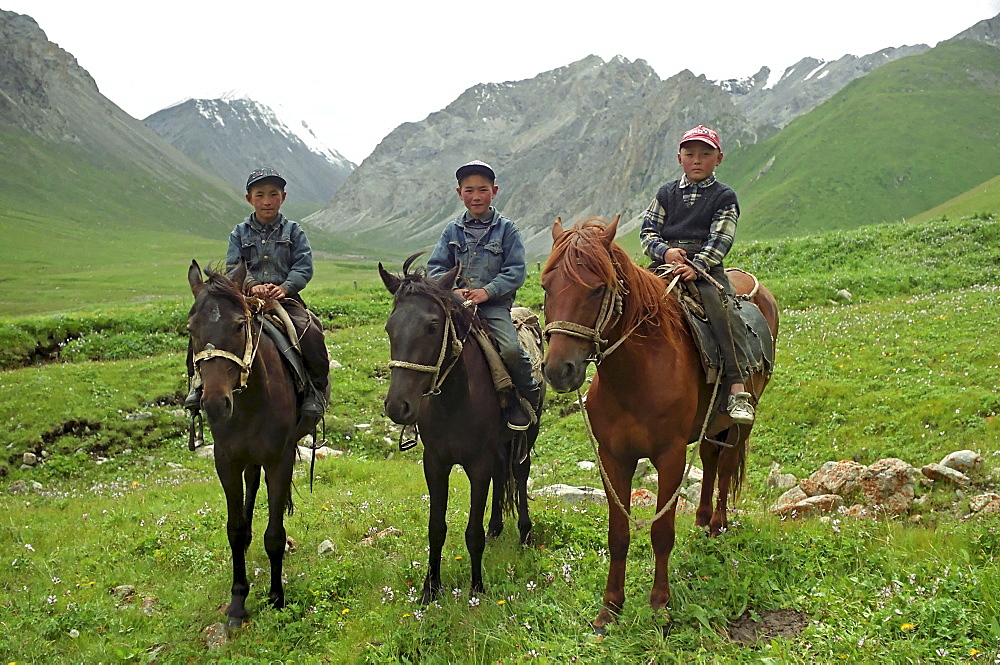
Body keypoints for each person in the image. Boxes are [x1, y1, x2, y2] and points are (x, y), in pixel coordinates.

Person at [185, 167, 330, 419]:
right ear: (249, 199)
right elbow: (234, 265)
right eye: (260, 194)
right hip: (245, 300)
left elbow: (304, 266)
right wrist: (251, 285)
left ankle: (314, 392)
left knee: (311, 333)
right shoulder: (239, 233)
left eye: (273, 194)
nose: (266, 201)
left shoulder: (294, 231)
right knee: (204, 330)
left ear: (283, 197)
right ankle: (197, 385)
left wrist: (284, 287)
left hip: (285, 300)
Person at [639, 126, 756, 424]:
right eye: (690, 154)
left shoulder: (724, 197)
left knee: (724, 312)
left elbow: (721, 239)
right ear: (680, 158)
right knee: (631, 304)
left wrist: (696, 265)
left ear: (719, 159)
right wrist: (664, 253)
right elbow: (648, 231)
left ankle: (738, 389)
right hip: (665, 265)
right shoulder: (666, 193)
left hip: (705, 270)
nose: (697, 160)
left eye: (705, 154)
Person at [426, 159, 541, 433]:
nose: (475, 196)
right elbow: (435, 268)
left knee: (511, 350)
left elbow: (515, 271)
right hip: (456, 306)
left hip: (493, 307)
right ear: (459, 193)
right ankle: (422, 403)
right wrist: (452, 290)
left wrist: (487, 292)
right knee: (425, 343)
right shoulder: (451, 231)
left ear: (494, 191)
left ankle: (525, 396)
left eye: (482, 190)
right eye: (469, 190)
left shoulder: (507, 230)